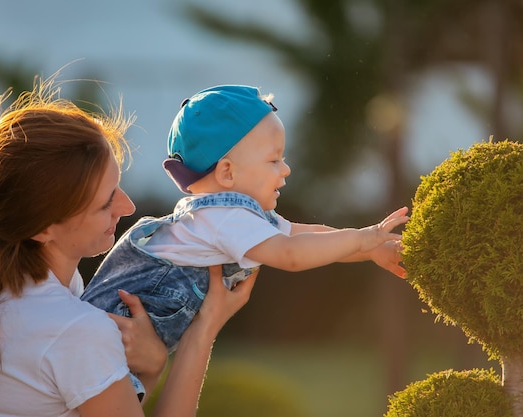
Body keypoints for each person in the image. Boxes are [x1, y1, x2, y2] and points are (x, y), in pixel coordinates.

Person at [0, 77, 257, 417]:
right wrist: (202, 329)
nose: (128, 207)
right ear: (43, 228)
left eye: (118, 186)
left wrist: (147, 366)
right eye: (105, 203)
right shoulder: (72, 328)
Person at [81, 84, 409, 369]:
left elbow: (304, 236)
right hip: (105, 338)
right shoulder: (223, 217)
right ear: (226, 173)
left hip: (121, 349)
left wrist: (370, 250)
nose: (286, 169)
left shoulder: (232, 215)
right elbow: (292, 254)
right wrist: (363, 238)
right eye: (274, 160)